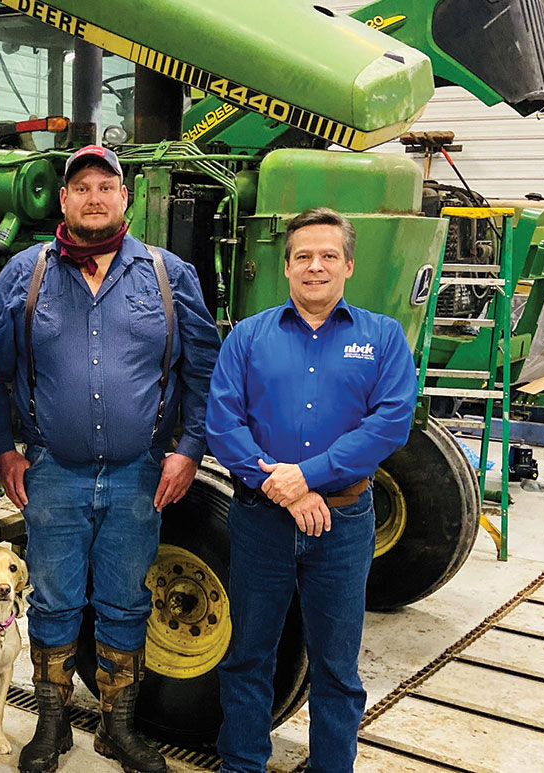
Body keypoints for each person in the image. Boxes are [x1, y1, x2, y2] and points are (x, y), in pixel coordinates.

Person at [0, 145, 220, 773]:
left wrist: (190, 450)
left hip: (140, 472)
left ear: (125, 198)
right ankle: (53, 724)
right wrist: (5, 448)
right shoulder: (25, 273)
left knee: (125, 600)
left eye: (104, 186)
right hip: (52, 471)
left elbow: (204, 370)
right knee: (54, 599)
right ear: (63, 200)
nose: (93, 196)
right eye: (80, 187)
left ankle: (118, 727)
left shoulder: (169, 276)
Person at [205, 207, 417, 773]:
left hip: (343, 527)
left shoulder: (383, 337)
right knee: (248, 656)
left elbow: (390, 423)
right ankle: (241, 764)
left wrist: (311, 474)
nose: (315, 267)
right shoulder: (248, 338)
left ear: (348, 265)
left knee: (336, 668)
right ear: (287, 267)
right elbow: (223, 424)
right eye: (303, 256)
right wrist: (286, 487)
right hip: (261, 520)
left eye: (327, 256)